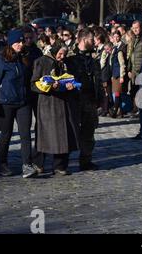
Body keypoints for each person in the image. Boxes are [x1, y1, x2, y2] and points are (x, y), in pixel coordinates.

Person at [0, 29, 37, 178]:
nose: (21, 44)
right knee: (6, 135)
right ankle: (2, 164)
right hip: (5, 103)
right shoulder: (0, 60)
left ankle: (27, 164)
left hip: (23, 102)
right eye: (18, 42)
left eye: (22, 42)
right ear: (11, 43)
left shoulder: (25, 58)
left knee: (25, 134)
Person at [31, 43, 80, 175]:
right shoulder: (41, 62)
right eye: (60, 54)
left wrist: (71, 86)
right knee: (45, 134)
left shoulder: (67, 63)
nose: (62, 56)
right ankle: (38, 164)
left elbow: (73, 78)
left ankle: (60, 165)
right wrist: (49, 86)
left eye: (64, 54)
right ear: (54, 51)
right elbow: (34, 84)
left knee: (64, 135)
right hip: (47, 104)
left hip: (64, 104)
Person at [66, 28, 103, 171]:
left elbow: (98, 81)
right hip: (74, 99)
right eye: (92, 40)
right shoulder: (70, 58)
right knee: (71, 131)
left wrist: (102, 99)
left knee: (89, 131)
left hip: (89, 99)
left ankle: (86, 160)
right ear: (84, 40)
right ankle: (63, 161)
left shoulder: (93, 60)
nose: (94, 42)